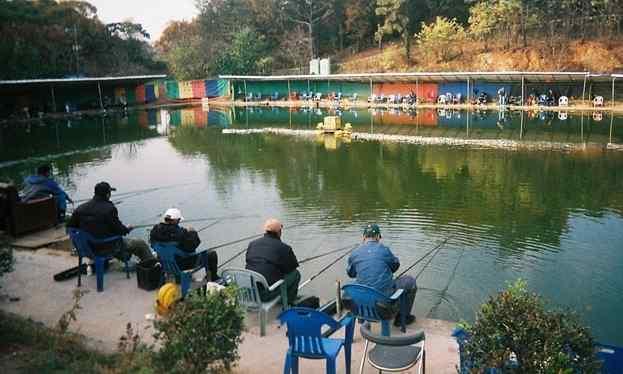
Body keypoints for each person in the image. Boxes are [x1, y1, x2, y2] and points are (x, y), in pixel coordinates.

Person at [347, 224, 417, 326]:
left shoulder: (354, 253)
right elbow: (395, 266)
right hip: (384, 307)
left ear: (363, 237)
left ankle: (362, 317)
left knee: (354, 284)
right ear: (378, 237)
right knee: (410, 281)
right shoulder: (384, 250)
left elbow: (351, 274)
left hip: (361, 304)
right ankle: (402, 319)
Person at [66, 182, 154, 263]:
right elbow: (119, 230)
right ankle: (152, 266)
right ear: (108, 194)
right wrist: (127, 229)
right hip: (106, 247)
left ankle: (125, 259)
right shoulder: (109, 209)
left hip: (87, 248)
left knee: (116, 240)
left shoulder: (80, 208)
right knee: (140, 243)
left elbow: (70, 226)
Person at [149, 208, 219, 281]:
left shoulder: (154, 230)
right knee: (212, 254)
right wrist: (192, 232)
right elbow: (192, 247)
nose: (179, 221)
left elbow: (153, 245)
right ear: (175, 220)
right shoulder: (180, 233)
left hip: (164, 263)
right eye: (178, 220)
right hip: (182, 265)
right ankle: (214, 278)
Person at [245, 218, 300, 303]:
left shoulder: (252, 244)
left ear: (265, 231)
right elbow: (292, 268)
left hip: (250, 290)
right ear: (279, 232)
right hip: (266, 294)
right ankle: (289, 303)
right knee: (296, 274)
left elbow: (249, 261)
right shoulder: (284, 247)